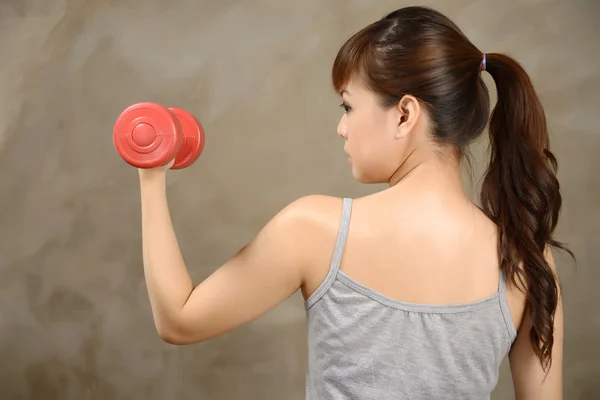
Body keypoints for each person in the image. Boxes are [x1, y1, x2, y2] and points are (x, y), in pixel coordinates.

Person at [135, 6, 572, 400]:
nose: (342, 129)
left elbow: (179, 319)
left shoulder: (315, 230)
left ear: (404, 115)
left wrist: (150, 172)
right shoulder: (526, 262)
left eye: (348, 107)